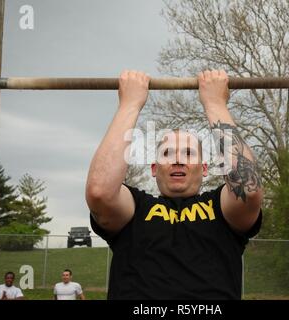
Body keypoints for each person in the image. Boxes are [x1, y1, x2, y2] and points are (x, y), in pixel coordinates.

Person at [86, 70, 263, 299]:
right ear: (154, 168)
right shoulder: (135, 209)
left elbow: (248, 188)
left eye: (188, 153)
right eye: (167, 153)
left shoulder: (221, 209)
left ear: (205, 168)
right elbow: (99, 191)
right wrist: (129, 104)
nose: (178, 159)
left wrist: (215, 103)